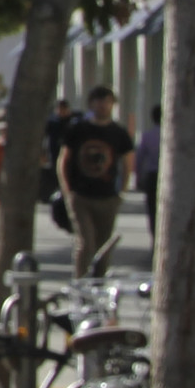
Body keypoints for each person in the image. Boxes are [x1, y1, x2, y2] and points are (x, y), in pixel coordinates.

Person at [59, 85, 135, 278]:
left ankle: (98, 284)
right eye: (98, 101)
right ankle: (81, 282)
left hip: (108, 197)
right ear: (91, 103)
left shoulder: (118, 132)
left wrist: (122, 191)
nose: (103, 106)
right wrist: (68, 192)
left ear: (113, 104)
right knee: (86, 242)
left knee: (103, 246)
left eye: (107, 101)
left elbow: (127, 163)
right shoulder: (78, 129)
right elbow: (64, 160)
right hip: (81, 196)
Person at [42, 96, 77, 234]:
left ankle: (69, 215)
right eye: (59, 109)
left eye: (64, 109)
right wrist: (43, 154)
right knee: (58, 186)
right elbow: (44, 138)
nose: (61, 112)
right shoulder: (52, 123)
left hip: (71, 161)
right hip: (55, 158)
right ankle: (62, 213)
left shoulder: (73, 123)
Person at [136, 104, 162, 237]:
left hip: (153, 176)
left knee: (153, 210)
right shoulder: (176, 135)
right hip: (170, 179)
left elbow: (139, 159)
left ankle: (155, 236)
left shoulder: (147, 136)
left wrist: (138, 178)